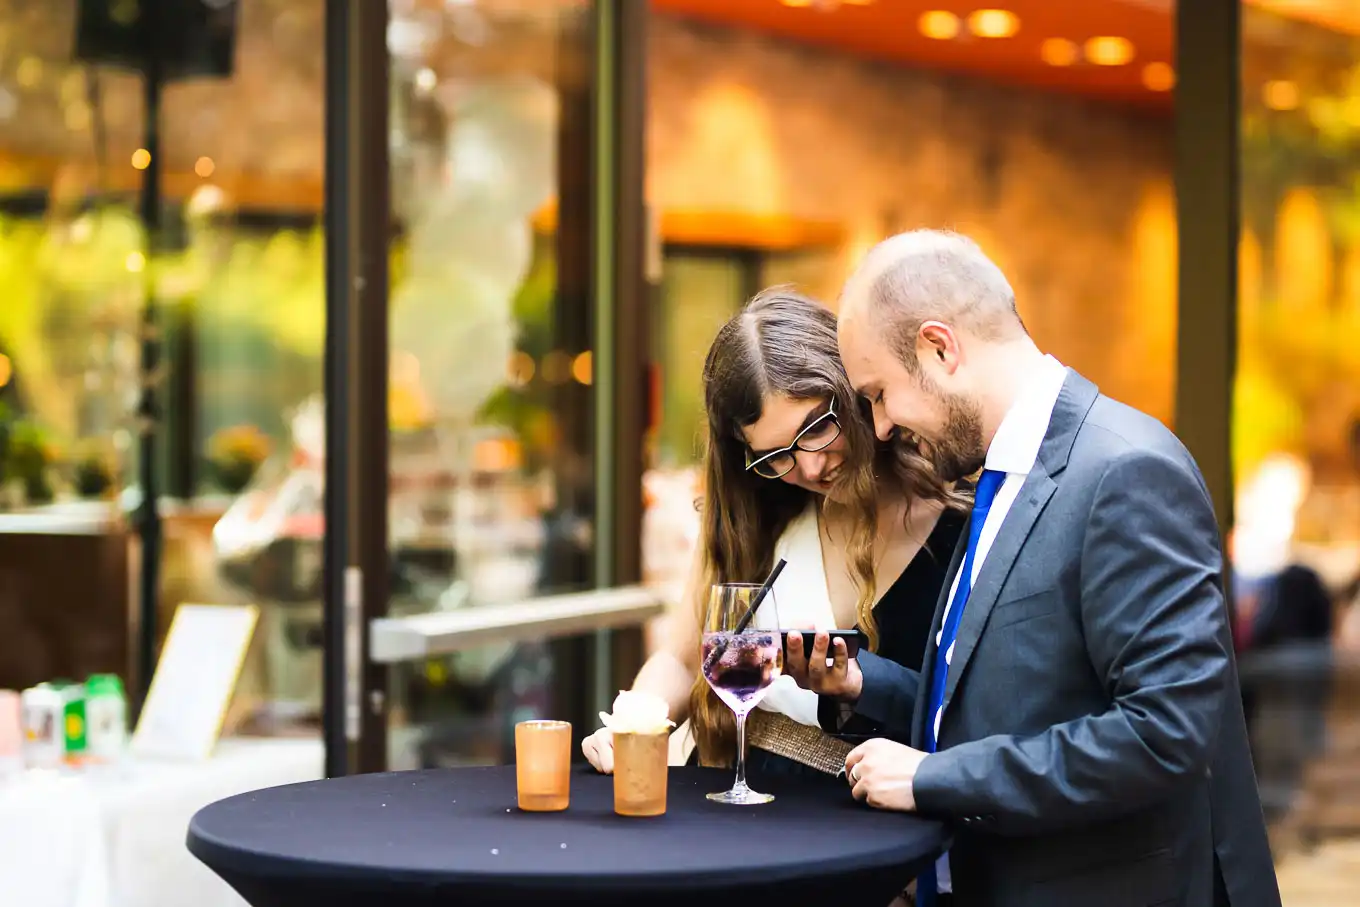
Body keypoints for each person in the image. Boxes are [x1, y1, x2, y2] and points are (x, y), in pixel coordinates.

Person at [788, 230, 1280, 907]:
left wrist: (935, 778)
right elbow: (997, 708)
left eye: (877, 393)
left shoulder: (1126, 471)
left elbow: (1164, 733)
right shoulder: (994, 479)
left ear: (940, 348)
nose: (878, 427)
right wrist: (857, 681)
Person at [581, 288, 965, 778]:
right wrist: (634, 724)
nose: (811, 466)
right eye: (776, 455)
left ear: (854, 390)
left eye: (818, 426)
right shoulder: (762, 512)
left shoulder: (958, 524)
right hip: (735, 793)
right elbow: (680, 660)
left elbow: (971, 710)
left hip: (877, 810)